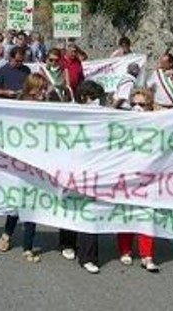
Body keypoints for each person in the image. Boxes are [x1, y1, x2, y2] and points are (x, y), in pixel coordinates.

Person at [0, 73, 50, 263]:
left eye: (44, 89)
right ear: (31, 89)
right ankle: (7, 233)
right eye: (40, 89)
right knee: (16, 203)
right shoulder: (18, 106)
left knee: (32, 204)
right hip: (19, 162)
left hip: (37, 162)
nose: (43, 93)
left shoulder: (48, 108)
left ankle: (28, 247)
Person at [59, 80, 106, 274]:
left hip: (94, 169)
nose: (98, 102)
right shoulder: (69, 113)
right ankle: (67, 243)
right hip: (72, 168)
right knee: (71, 207)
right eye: (94, 98)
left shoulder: (105, 115)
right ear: (84, 98)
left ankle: (88, 256)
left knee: (90, 211)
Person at [115, 88, 161, 272]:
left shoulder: (160, 125)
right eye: (133, 104)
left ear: (150, 105)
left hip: (149, 179)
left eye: (142, 104)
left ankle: (147, 255)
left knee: (147, 217)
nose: (137, 108)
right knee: (126, 215)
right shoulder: (123, 124)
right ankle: (125, 251)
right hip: (127, 176)